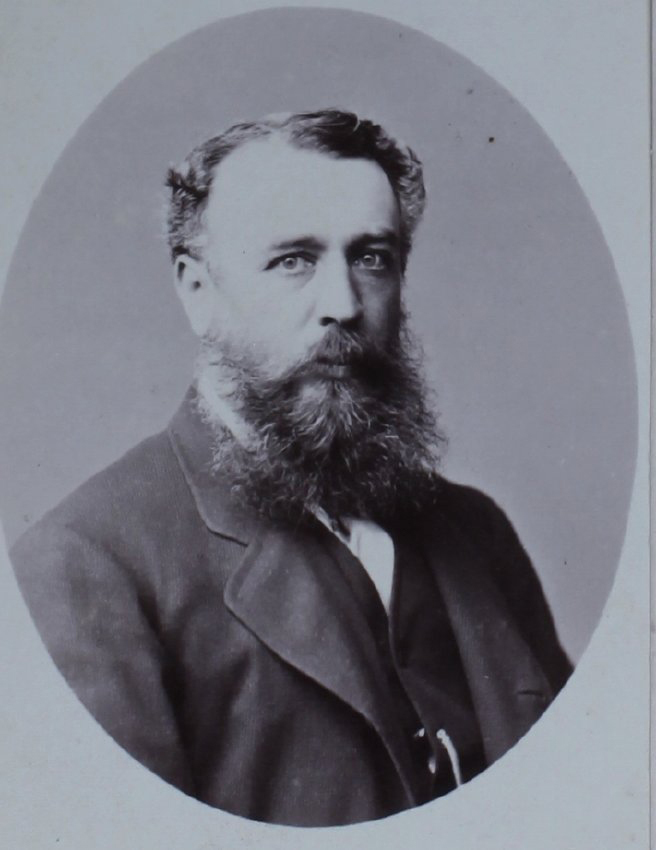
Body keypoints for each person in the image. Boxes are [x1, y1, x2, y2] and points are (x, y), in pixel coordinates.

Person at [10, 109, 572, 827]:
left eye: (372, 258)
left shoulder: (477, 532)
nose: (343, 304)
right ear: (197, 291)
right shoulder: (84, 565)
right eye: (293, 260)